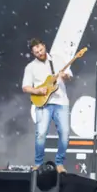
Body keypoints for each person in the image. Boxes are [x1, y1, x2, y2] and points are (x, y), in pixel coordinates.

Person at [21, 38, 73, 172]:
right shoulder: (30, 67)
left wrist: (64, 76)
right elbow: (25, 87)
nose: (39, 52)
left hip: (61, 102)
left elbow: (69, 76)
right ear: (33, 53)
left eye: (41, 49)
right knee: (41, 134)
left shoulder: (58, 59)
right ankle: (38, 163)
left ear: (44, 46)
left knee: (65, 133)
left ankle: (59, 163)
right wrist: (37, 90)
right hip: (43, 103)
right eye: (36, 51)